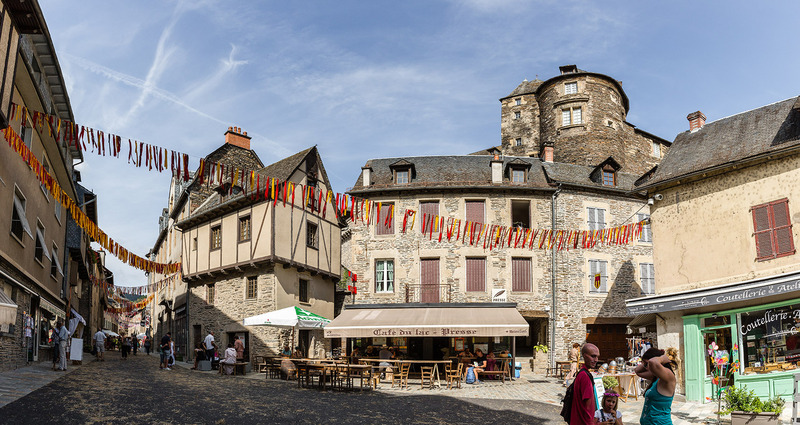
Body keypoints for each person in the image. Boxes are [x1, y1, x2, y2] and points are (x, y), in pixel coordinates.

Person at [635, 347, 677, 425]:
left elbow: (652, 362)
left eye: (647, 364)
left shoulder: (668, 377)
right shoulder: (656, 377)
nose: (646, 368)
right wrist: (645, 362)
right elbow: (637, 371)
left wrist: (662, 358)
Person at [570, 343, 600, 425]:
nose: (596, 360)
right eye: (593, 356)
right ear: (584, 355)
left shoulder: (582, 373)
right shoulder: (585, 376)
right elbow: (588, 406)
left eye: (597, 357)